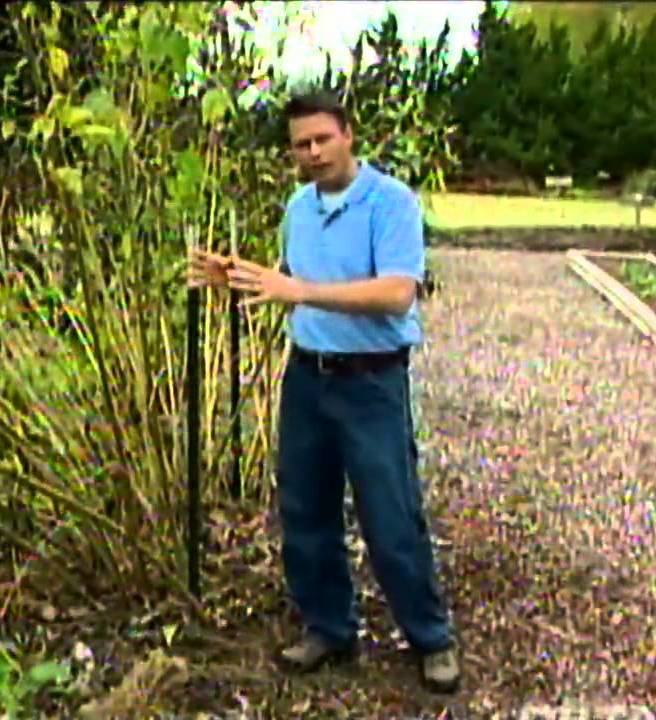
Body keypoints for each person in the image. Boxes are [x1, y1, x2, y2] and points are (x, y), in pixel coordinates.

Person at [186, 91, 460, 694]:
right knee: (305, 509)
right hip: (307, 378)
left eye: (321, 139)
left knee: (390, 515)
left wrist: (300, 291)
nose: (311, 153)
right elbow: (288, 283)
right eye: (300, 144)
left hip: (372, 380)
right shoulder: (298, 208)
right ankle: (329, 627)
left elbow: (395, 293)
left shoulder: (391, 203)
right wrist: (232, 277)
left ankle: (431, 637)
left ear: (347, 135)